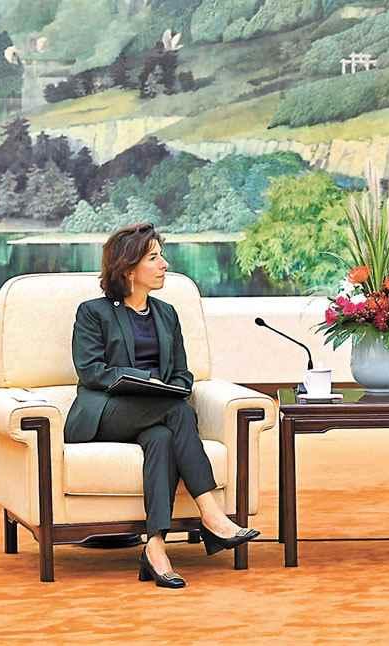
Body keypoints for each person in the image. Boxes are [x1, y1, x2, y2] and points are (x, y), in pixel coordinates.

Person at [64, 222, 259, 588]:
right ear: (128, 268)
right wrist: (143, 379)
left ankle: (154, 548)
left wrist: (172, 387)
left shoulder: (167, 314)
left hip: (155, 413)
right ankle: (212, 515)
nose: (164, 264)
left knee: (163, 437)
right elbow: (91, 370)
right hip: (106, 411)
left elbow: (183, 374)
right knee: (178, 411)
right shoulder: (93, 312)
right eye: (154, 257)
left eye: (161, 256)